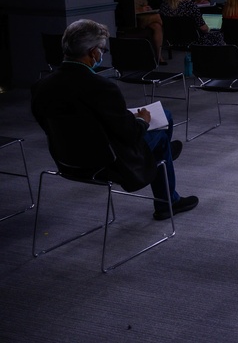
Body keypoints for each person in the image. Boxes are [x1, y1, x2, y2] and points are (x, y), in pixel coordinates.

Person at [30, 19, 198, 220]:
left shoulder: (41, 86)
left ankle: (165, 154)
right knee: (160, 135)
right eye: (103, 50)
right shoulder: (102, 87)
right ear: (93, 52)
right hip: (106, 161)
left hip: (66, 159)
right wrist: (142, 120)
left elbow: (51, 124)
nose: (102, 54)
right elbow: (130, 134)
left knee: (166, 116)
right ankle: (168, 201)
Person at [115, 0, 165, 64]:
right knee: (158, 17)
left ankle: (158, 56)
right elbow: (124, 9)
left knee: (157, 26)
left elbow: (145, 2)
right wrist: (139, 9)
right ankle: (170, 35)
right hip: (133, 18)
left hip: (145, 15)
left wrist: (147, 8)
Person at [160, 0, 225, 46]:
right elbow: (203, 28)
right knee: (218, 35)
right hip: (194, 41)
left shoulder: (163, 6)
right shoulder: (190, 5)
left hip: (172, 40)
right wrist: (209, 29)